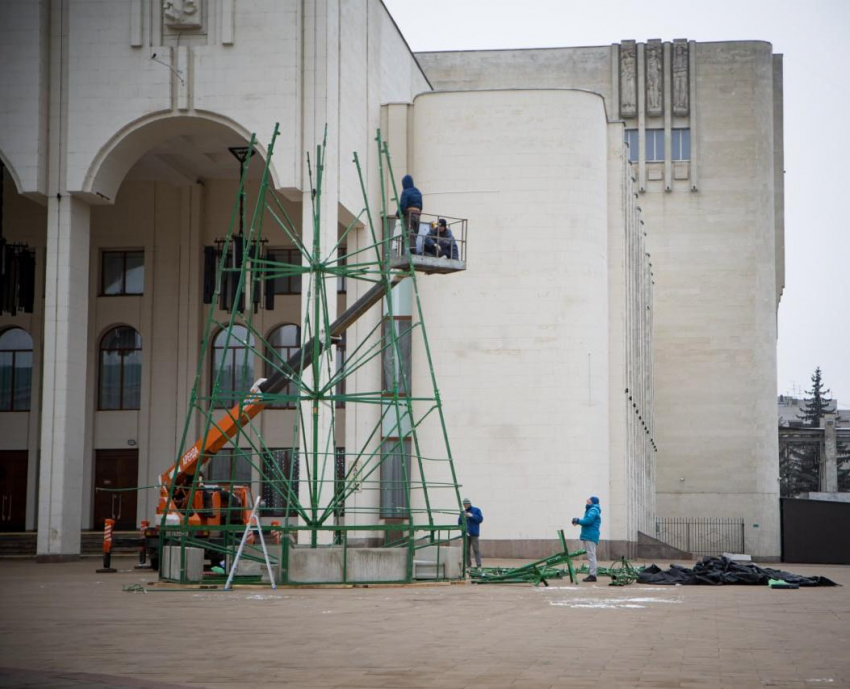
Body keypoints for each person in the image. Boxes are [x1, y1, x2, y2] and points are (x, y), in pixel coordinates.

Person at [571, 496, 602, 582]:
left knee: (591, 556)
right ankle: (592, 574)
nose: (587, 502)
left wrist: (578, 521)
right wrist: (578, 521)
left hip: (590, 536)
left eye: (589, 501)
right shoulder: (592, 510)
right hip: (589, 535)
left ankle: (593, 575)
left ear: (593, 502)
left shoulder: (593, 510)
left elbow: (588, 520)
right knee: (591, 555)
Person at [399, 174, 422, 253]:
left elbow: (402, 206)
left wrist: (398, 214)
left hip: (410, 214)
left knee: (409, 232)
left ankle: (412, 251)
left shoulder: (405, 192)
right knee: (415, 233)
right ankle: (413, 249)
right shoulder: (418, 192)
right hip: (418, 215)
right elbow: (421, 205)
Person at [458, 498, 483, 569]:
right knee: (466, 550)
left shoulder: (476, 510)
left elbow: (480, 519)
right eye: (464, 505)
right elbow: (459, 522)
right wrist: (462, 517)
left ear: (469, 504)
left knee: (476, 549)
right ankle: (468, 565)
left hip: (474, 533)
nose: (465, 506)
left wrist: (471, 516)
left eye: (466, 504)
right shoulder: (463, 512)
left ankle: (479, 565)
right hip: (465, 534)